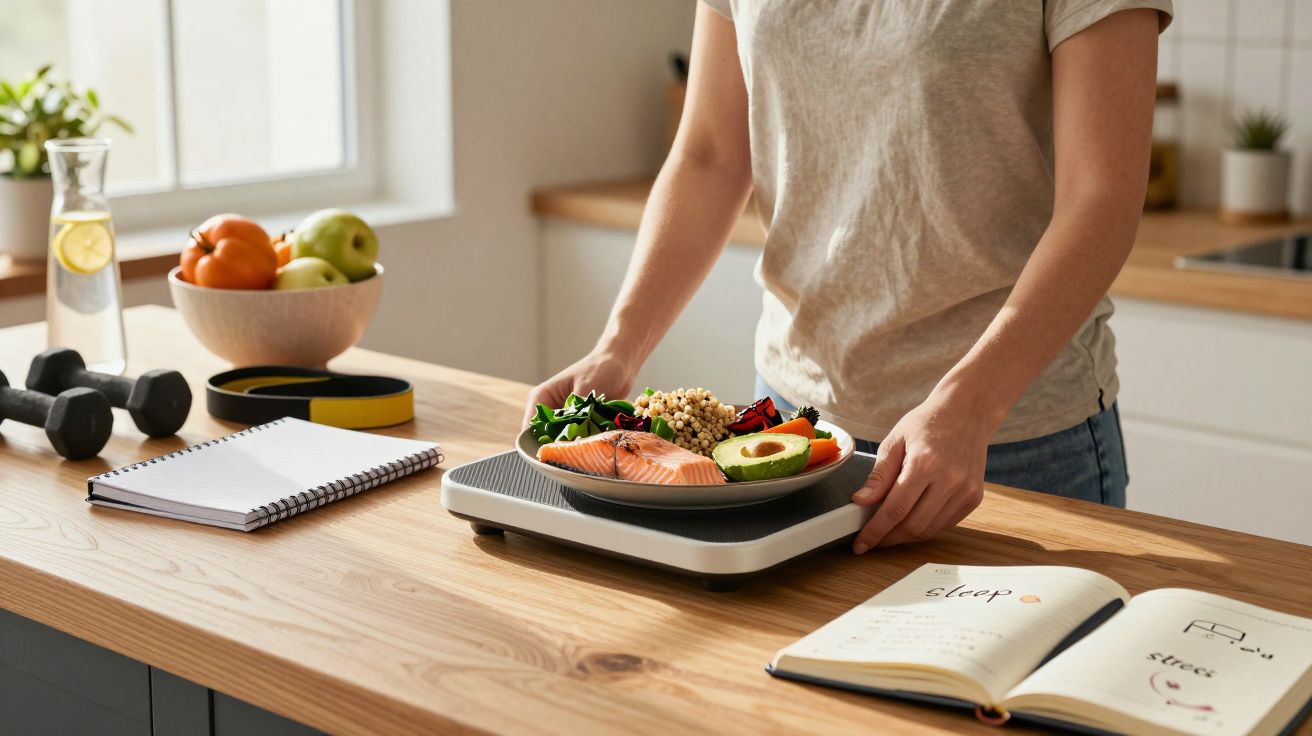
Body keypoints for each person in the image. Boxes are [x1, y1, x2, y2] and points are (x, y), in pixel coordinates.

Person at [526, 1, 1172, 552]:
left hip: (1005, 438)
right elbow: (710, 156)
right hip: (789, 424)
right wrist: (619, 346)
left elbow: (1102, 197)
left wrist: (968, 408)